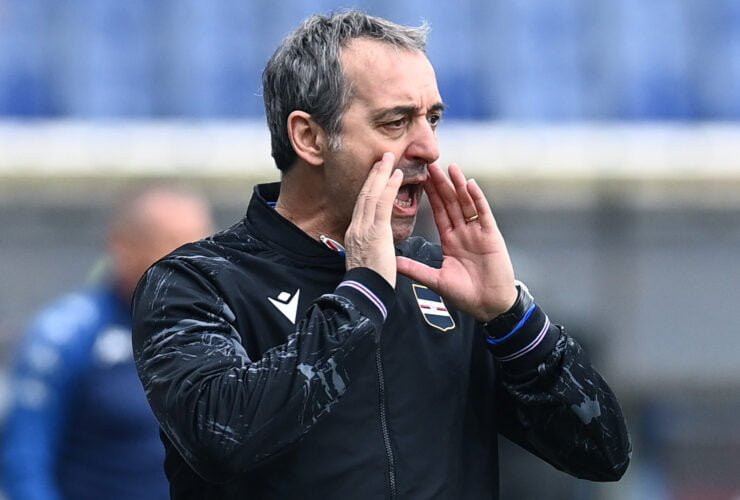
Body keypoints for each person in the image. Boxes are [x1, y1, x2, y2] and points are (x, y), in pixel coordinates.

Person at [131, 11, 631, 500]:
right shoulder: (196, 283)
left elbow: (603, 454)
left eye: (433, 119)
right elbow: (221, 439)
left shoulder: (443, 281)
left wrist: (512, 318)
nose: (429, 148)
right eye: (396, 122)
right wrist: (360, 297)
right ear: (310, 137)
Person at [0, 185, 215, 500]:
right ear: (122, 245)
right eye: (172, 242)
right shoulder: (66, 334)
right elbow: (25, 461)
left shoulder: (230, 331)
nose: (195, 258)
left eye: (203, 241)